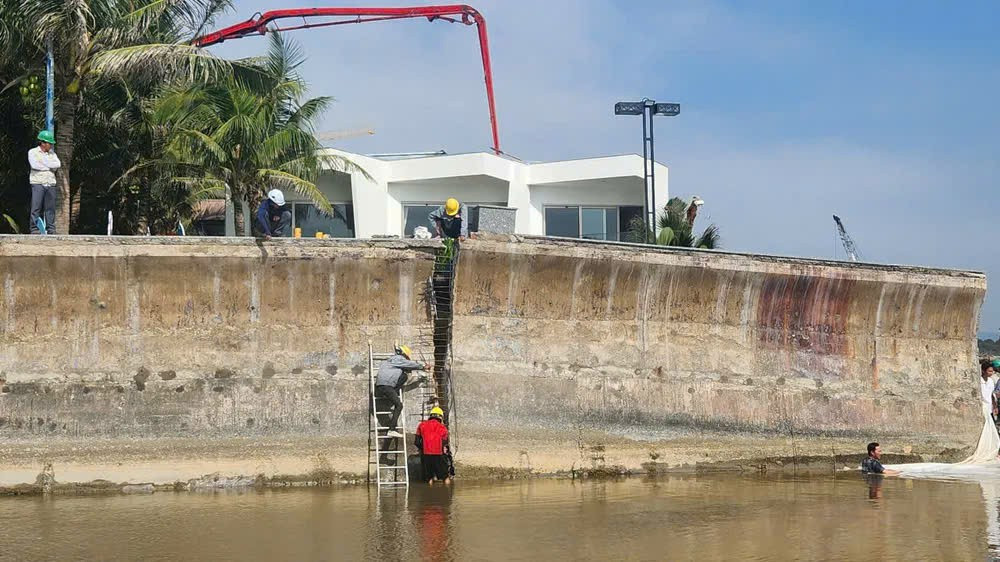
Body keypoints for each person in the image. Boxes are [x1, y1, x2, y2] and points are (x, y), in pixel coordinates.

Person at [374, 344, 429, 438]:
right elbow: (409, 364)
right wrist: (423, 366)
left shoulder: (390, 360)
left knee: (404, 375)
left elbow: (405, 369)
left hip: (382, 386)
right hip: (387, 386)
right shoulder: (398, 359)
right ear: (404, 355)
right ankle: (391, 430)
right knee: (399, 405)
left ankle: (390, 394)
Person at [28, 130, 60, 235]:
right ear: (43, 143)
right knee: (36, 207)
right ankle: (34, 228)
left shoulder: (52, 154)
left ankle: (51, 229)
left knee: (50, 208)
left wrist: (44, 163)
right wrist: (49, 166)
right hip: (38, 182)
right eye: (49, 143)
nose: (50, 145)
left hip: (50, 183)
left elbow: (57, 165)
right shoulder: (32, 152)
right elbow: (35, 165)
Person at [415, 406, 452, 484]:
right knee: (445, 477)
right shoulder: (443, 428)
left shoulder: (421, 425)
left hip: (426, 454)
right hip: (439, 454)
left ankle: (430, 493)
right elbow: (445, 444)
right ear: (440, 417)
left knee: (429, 478)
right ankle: (447, 492)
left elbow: (417, 442)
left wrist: (423, 448)